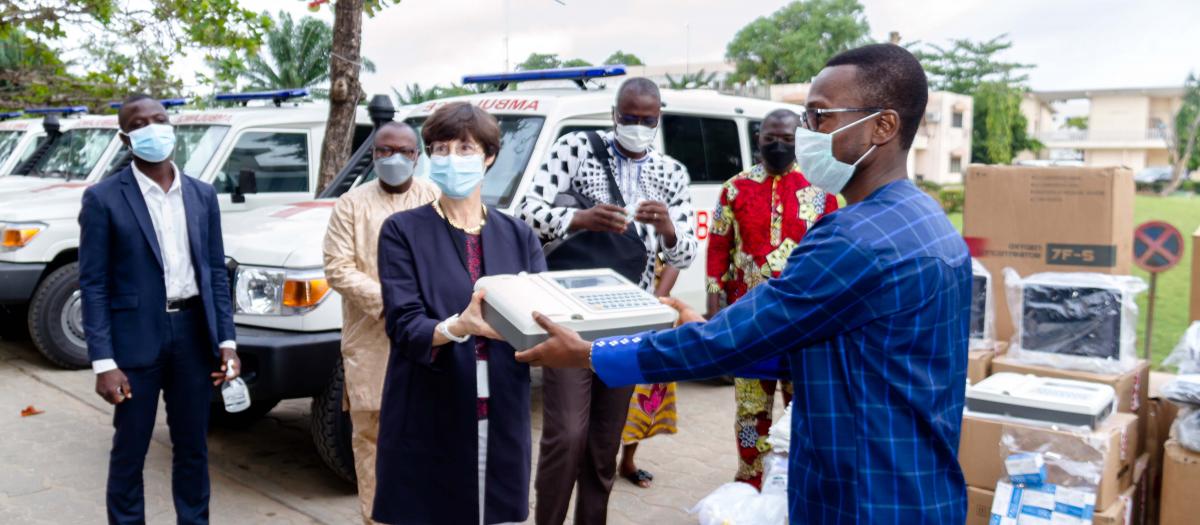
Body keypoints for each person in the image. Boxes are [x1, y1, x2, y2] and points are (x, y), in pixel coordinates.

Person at [516, 44, 972, 524]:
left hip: (866, 498)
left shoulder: (856, 237)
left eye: (819, 117)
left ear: (883, 125)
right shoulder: (926, 221)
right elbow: (828, 349)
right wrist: (701, 321)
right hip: (922, 488)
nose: (805, 135)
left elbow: (726, 342)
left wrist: (591, 354)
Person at [518, 77, 698, 524]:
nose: (637, 126)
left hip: (629, 316)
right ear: (614, 114)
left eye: (647, 120)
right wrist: (579, 218)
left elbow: (686, 253)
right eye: (629, 117)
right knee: (566, 433)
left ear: (659, 119)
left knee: (603, 442)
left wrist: (670, 229)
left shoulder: (671, 173)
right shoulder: (577, 148)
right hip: (569, 313)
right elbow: (526, 212)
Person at [372, 102, 546, 525]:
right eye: (441, 149)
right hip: (431, 408)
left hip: (502, 404)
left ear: (488, 157)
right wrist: (456, 326)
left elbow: (543, 314)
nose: (453, 159)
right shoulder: (402, 231)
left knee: (496, 511)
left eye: (466, 149)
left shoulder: (518, 234)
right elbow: (403, 323)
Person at [79, 94, 239, 525]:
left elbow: (214, 274)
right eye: (139, 122)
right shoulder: (103, 198)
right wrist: (103, 362)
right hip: (135, 342)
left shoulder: (202, 195)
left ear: (173, 126)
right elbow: (93, 284)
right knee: (130, 449)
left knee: (192, 446)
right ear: (125, 137)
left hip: (193, 336)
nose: (152, 127)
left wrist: (227, 342)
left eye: (159, 119)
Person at [705, 108, 839, 489]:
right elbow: (718, 249)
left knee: (805, 409)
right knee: (750, 410)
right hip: (749, 324)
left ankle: (797, 479)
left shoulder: (823, 192)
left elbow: (832, 255)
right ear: (758, 138)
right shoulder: (735, 188)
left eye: (787, 139)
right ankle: (751, 478)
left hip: (805, 326)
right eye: (770, 138)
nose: (778, 145)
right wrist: (716, 314)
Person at [322, 121, 438, 525]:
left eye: (404, 151)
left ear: (416, 156)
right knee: (371, 435)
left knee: (425, 432)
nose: (394, 159)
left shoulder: (435, 200)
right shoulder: (350, 205)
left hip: (429, 336)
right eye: (384, 151)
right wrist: (394, 304)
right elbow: (338, 269)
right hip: (371, 338)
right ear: (372, 155)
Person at [618, 260, 680, 489]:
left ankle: (627, 462)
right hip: (612, 297)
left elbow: (680, 254)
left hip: (652, 303)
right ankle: (596, 461)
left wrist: (655, 303)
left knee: (643, 391)